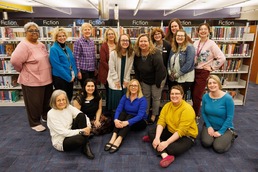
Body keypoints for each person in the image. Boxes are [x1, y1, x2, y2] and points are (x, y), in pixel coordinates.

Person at [10, 22, 53, 132]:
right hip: (32, 80)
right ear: (25, 33)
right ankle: (34, 122)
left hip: (46, 79)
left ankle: (45, 116)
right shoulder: (23, 45)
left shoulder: (41, 44)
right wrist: (23, 70)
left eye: (36, 31)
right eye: (31, 31)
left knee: (46, 101)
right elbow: (14, 61)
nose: (34, 33)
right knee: (34, 103)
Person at [142, 85, 198, 168]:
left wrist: (166, 143)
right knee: (151, 131)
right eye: (172, 94)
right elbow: (161, 122)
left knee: (171, 149)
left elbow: (181, 131)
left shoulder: (187, 109)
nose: (174, 96)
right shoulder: (167, 106)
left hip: (186, 136)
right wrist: (157, 138)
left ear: (182, 95)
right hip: (171, 131)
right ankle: (164, 154)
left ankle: (155, 142)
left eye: (177, 94)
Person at [47, 90, 95, 159]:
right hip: (61, 140)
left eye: (63, 99)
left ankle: (85, 145)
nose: (62, 102)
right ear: (54, 101)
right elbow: (64, 132)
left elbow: (82, 115)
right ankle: (85, 143)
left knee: (81, 116)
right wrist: (82, 131)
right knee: (80, 138)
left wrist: (88, 127)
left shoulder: (68, 107)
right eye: (58, 100)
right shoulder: (51, 114)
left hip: (71, 131)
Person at [104, 79, 148, 153]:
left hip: (140, 122)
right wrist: (116, 120)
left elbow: (140, 116)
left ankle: (119, 139)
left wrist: (127, 122)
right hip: (126, 119)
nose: (133, 87)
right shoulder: (125, 97)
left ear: (138, 88)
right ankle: (114, 136)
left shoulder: (142, 100)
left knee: (130, 116)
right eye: (131, 85)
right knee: (122, 114)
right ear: (129, 87)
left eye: (135, 86)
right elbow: (118, 109)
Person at [192, 23, 226, 117]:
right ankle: (192, 113)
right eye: (201, 29)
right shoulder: (195, 43)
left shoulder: (212, 44)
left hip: (203, 72)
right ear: (198, 32)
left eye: (205, 29)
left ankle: (195, 115)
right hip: (193, 71)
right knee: (192, 93)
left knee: (197, 95)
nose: (203, 31)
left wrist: (212, 67)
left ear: (208, 31)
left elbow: (222, 58)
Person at [134, 33, 166, 124]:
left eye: (145, 41)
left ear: (149, 42)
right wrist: (138, 80)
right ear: (138, 43)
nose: (143, 43)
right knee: (146, 97)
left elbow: (159, 70)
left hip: (158, 78)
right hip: (145, 79)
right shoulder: (137, 54)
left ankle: (154, 115)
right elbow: (136, 69)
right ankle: (145, 113)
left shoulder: (155, 53)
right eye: (141, 41)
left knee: (156, 97)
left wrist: (158, 83)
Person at [201, 75, 237, 153]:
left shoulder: (227, 98)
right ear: (207, 85)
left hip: (225, 127)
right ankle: (215, 136)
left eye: (214, 83)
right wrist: (209, 126)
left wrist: (221, 131)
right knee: (206, 143)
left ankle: (232, 136)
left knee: (218, 148)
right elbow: (203, 113)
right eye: (209, 83)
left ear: (219, 84)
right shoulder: (205, 97)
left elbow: (230, 117)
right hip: (210, 125)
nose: (212, 85)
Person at [107, 33, 134, 111]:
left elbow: (129, 68)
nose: (125, 42)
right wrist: (116, 80)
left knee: (124, 98)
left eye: (127, 40)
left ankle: (122, 115)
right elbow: (111, 68)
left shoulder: (131, 53)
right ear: (119, 42)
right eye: (123, 40)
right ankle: (115, 116)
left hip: (125, 79)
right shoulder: (113, 53)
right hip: (115, 79)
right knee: (116, 98)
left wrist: (126, 79)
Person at [49, 27, 77, 102]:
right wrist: (69, 78)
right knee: (61, 98)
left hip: (70, 77)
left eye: (63, 35)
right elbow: (57, 66)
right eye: (59, 36)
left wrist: (75, 74)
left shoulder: (67, 48)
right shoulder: (53, 49)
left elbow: (72, 61)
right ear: (56, 37)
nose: (62, 38)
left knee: (69, 96)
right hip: (60, 78)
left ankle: (67, 112)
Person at [167, 29, 195, 98]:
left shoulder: (190, 47)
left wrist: (178, 74)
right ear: (175, 37)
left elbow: (189, 63)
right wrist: (169, 72)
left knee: (179, 98)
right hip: (173, 78)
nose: (179, 37)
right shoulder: (174, 47)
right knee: (173, 97)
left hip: (185, 78)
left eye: (182, 36)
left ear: (185, 37)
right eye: (178, 35)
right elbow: (168, 61)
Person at [98, 28, 118, 112]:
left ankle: (116, 109)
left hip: (118, 72)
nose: (111, 35)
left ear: (115, 35)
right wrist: (112, 70)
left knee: (116, 92)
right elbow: (103, 61)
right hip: (107, 72)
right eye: (109, 34)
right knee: (109, 92)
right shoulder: (104, 46)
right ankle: (108, 111)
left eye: (112, 34)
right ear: (106, 36)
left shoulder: (118, 45)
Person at [73, 22, 97, 87]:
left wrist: (95, 68)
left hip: (92, 70)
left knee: (92, 88)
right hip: (83, 70)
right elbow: (76, 58)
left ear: (91, 31)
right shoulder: (78, 42)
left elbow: (93, 56)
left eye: (89, 29)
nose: (87, 31)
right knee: (85, 89)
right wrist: (78, 71)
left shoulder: (92, 42)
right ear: (82, 31)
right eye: (85, 29)